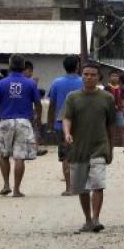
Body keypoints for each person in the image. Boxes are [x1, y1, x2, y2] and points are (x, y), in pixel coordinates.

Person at [62, 62, 115, 233]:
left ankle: (96, 218)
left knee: (98, 185)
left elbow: (110, 125)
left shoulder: (107, 98)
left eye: (93, 74)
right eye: (86, 74)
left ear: (99, 77)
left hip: (99, 147)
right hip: (78, 149)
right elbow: (67, 118)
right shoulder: (72, 97)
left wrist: (110, 147)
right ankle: (87, 220)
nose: (89, 77)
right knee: (82, 188)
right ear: (81, 75)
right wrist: (67, 133)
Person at [0, 54, 42, 198]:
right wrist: (38, 119)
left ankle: (6, 185)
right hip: (24, 122)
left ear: (10, 66)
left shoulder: (1, 83)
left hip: (6, 122)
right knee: (19, 157)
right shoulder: (30, 84)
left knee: (4, 155)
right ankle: (16, 190)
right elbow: (38, 104)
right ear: (24, 67)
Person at [48, 55, 83, 196]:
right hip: (81, 124)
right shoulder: (83, 82)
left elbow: (52, 105)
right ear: (77, 66)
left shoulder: (56, 83)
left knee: (66, 156)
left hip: (61, 125)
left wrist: (50, 123)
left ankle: (69, 188)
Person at [105, 70, 124, 152]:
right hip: (109, 111)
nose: (115, 78)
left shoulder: (121, 88)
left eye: (116, 76)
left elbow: (123, 98)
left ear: (119, 78)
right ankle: (110, 147)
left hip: (119, 111)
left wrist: (122, 106)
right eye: (113, 76)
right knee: (110, 129)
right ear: (109, 77)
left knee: (122, 128)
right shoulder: (106, 88)